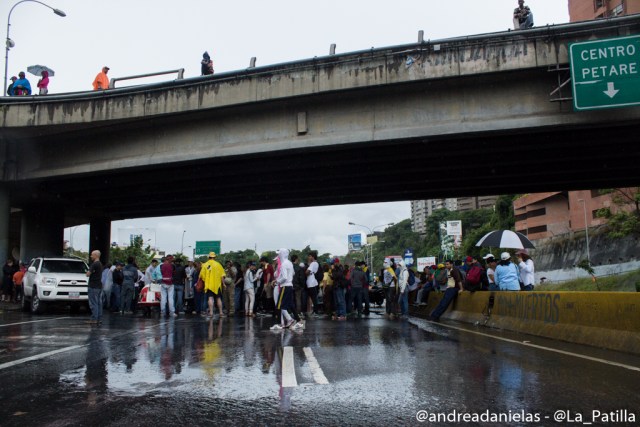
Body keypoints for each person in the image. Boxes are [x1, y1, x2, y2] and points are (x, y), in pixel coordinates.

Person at [270, 249, 299, 330]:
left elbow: (284, 277)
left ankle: (279, 324)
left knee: (279, 305)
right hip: (290, 285)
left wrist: (277, 282)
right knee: (290, 304)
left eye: (279, 254)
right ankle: (297, 321)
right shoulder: (289, 263)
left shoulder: (283, 264)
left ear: (282, 254)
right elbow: (293, 273)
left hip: (284, 286)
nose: (278, 255)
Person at [199, 252, 226, 318]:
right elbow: (222, 276)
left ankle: (211, 313)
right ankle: (221, 313)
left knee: (210, 298)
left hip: (209, 285)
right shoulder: (218, 264)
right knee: (218, 298)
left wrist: (206, 280)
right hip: (217, 285)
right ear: (214, 257)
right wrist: (224, 284)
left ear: (209, 257)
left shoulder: (205, 265)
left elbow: (201, 276)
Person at [86, 250, 104, 325]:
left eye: (92, 255)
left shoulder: (94, 264)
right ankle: (99, 318)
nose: (91, 256)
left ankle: (94, 318)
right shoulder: (100, 264)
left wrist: (87, 272)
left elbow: (88, 274)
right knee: (99, 302)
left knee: (93, 303)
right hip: (99, 286)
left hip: (93, 286)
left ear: (96, 255)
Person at [305, 251, 321, 317]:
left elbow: (307, 272)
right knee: (313, 297)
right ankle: (314, 311)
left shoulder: (313, 263)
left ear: (313, 257)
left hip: (311, 282)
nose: (309, 257)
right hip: (312, 282)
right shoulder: (315, 263)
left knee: (313, 298)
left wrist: (305, 271)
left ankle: (315, 312)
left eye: (310, 256)